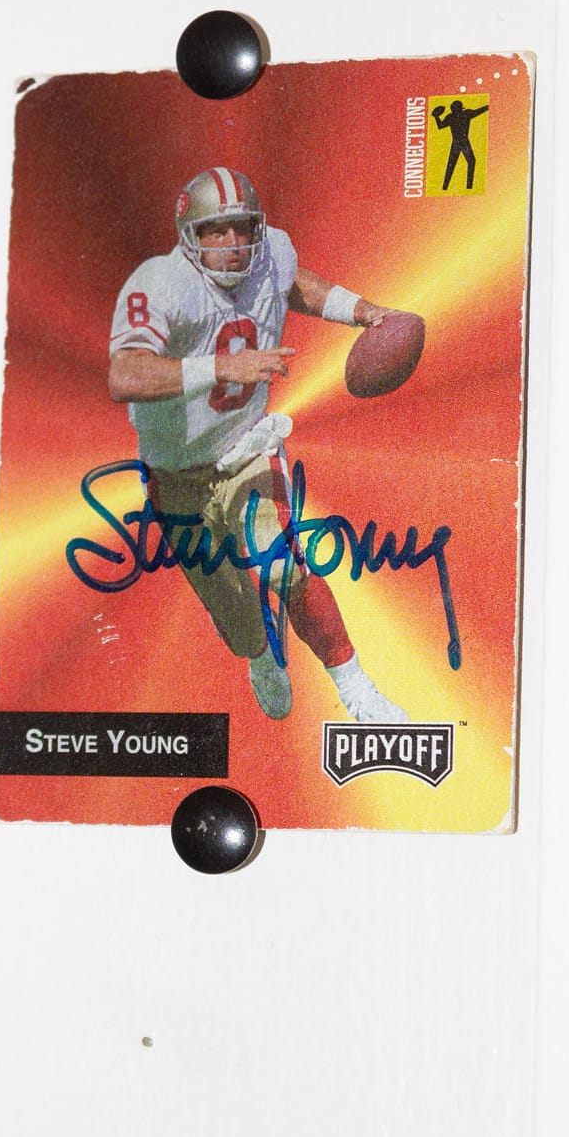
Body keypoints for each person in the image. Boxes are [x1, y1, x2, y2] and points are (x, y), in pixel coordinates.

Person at [108, 166, 408, 724]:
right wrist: (223, 366)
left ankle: (357, 689)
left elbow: (292, 284)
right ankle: (261, 654)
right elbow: (125, 373)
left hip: (247, 446)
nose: (233, 243)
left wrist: (364, 311)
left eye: (242, 228)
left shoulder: (271, 253)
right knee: (237, 619)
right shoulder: (160, 284)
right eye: (215, 230)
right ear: (189, 237)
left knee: (283, 566)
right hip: (176, 473)